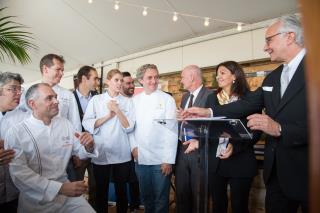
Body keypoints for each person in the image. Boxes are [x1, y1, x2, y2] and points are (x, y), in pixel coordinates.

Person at [185, 14, 308, 213]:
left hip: (309, 171)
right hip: (276, 174)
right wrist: (207, 111)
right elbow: (247, 104)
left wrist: (280, 128)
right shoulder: (273, 77)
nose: (265, 47)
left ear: (290, 37)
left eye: (269, 40)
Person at [5, 83, 97, 213]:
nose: (56, 101)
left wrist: (89, 146)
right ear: (32, 104)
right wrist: (60, 188)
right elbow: (19, 174)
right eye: (49, 98)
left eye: (55, 97)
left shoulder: (65, 124)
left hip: (66, 194)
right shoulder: (16, 133)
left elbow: (80, 151)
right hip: (34, 198)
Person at [20, 54, 82, 181]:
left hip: (64, 152)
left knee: (69, 189)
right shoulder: (28, 94)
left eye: (63, 70)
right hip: (37, 151)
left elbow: (75, 122)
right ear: (45, 69)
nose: (61, 73)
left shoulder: (67, 94)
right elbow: (22, 120)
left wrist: (77, 152)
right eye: (58, 69)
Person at [82, 69, 135, 213]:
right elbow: (87, 123)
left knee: (121, 191)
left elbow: (129, 127)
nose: (119, 83)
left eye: (121, 81)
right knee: (101, 192)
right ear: (108, 81)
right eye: (116, 80)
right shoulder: (96, 100)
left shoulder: (127, 102)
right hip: (101, 152)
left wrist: (117, 111)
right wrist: (108, 116)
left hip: (122, 153)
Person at [129, 64, 178, 213]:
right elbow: (130, 127)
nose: (154, 81)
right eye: (149, 77)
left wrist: (168, 159)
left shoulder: (167, 99)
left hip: (160, 160)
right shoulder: (134, 101)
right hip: (141, 158)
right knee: (146, 198)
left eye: (156, 77)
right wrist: (133, 147)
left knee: (161, 199)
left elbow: (172, 130)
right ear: (141, 80)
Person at [175, 65, 212, 213]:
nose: (181, 80)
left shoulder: (210, 95)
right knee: (182, 193)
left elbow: (213, 125)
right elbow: (185, 121)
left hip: (200, 153)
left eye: (183, 77)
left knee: (199, 195)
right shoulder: (185, 97)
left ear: (192, 77)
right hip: (183, 151)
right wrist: (179, 118)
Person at [0, 72, 27, 213]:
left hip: (15, 191)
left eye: (19, 89)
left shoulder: (25, 118)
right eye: (13, 89)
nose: (18, 93)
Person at [73, 65, 99, 207]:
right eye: (95, 78)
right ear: (84, 78)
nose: (97, 82)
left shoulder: (99, 98)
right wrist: (74, 153)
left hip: (96, 150)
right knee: (77, 187)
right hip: (78, 152)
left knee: (96, 187)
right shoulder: (70, 98)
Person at [120, 71, 141, 213]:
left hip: (136, 149)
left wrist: (135, 147)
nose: (132, 85)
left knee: (134, 181)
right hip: (121, 149)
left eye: (132, 82)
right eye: (128, 83)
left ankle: (134, 207)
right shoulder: (117, 103)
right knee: (121, 183)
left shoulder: (136, 101)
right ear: (120, 85)